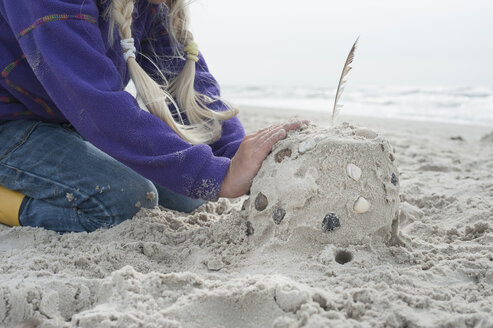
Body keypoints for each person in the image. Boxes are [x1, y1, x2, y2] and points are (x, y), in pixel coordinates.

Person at [0, 0, 305, 233]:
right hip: (10, 123)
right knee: (124, 201)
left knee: (189, 197)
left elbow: (187, 87)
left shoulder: (152, 5)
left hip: (62, 120)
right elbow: (93, 102)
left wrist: (239, 154)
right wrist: (217, 176)